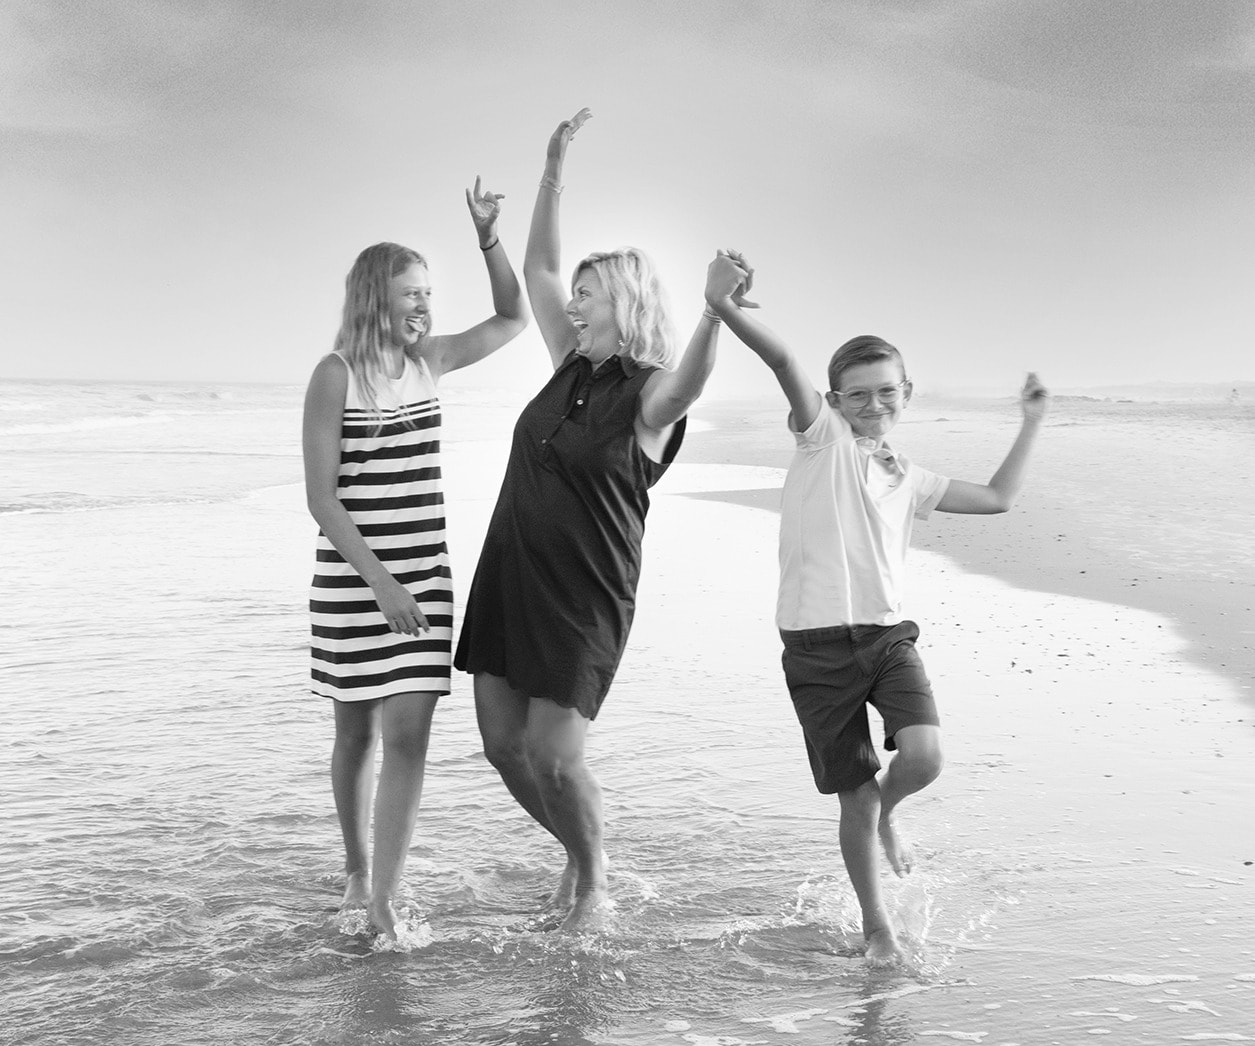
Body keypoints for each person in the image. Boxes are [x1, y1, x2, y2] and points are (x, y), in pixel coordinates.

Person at [453, 110, 751, 933]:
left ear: (621, 303)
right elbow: (540, 264)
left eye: (587, 296)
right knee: (502, 747)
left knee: (554, 753)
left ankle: (589, 883)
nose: (572, 304)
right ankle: (584, 861)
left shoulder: (647, 393)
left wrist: (714, 314)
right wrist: (546, 168)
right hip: (510, 573)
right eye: (575, 296)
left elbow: (689, 385)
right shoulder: (565, 366)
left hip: (584, 593)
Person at [708, 269, 1049, 963]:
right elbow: (781, 361)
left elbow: (995, 498)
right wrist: (719, 306)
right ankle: (878, 929)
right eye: (857, 394)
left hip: (888, 637)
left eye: (886, 392)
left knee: (923, 758)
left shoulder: (907, 473)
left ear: (906, 394)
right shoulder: (821, 438)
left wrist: (1031, 422)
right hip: (814, 646)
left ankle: (889, 810)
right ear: (834, 400)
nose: (873, 405)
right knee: (853, 799)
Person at [303, 178, 528, 940]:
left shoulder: (430, 360)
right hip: (354, 584)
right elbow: (323, 501)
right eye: (409, 292)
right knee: (354, 736)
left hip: (426, 581)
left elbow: (512, 317)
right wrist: (380, 586)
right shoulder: (334, 375)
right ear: (376, 297)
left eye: (427, 291)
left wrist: (488, 237)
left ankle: (382, 899)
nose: (422, 304)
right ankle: (356, 866)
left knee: (408, 737)